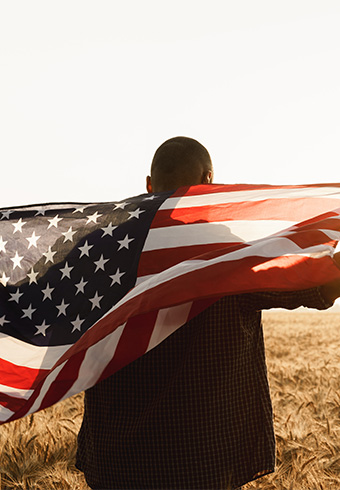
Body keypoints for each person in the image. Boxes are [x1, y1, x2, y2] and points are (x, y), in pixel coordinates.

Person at [76, 136, 340, 489]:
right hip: (204, 459)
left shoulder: (98, 252)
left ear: (149, 184)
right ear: (209, 181)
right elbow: (318, 285)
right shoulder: (225, 250)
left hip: (115, 459)